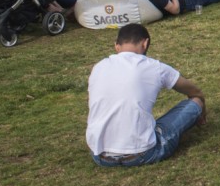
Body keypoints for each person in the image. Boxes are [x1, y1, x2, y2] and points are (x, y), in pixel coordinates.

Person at [86, 23, 206, 167]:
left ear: (117, 46)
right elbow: (195, 92)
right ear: (145, 43)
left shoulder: (98, 67)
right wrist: (202, 111)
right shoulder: (155, 67)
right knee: (196, 102)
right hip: (142, 154)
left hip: (100, 156)